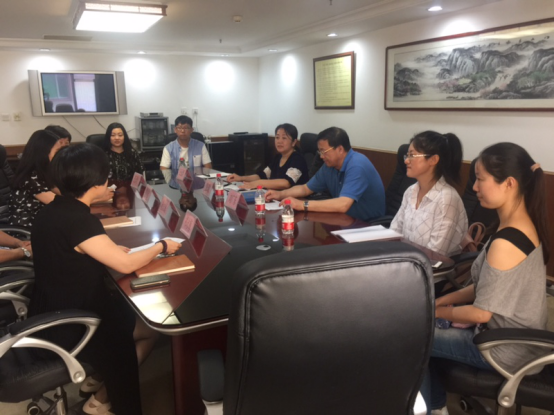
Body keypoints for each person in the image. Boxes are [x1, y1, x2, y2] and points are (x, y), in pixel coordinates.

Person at [29, 143, 181, 415]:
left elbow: (71, 252)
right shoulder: (79, 220)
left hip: (49, 309)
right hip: (75, 321)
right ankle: (104, 399)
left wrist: (107, 249)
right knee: (149, 330)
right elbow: (125, 264)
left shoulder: (54, 211)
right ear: (95, 182)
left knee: (137, 320)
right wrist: (162, 246)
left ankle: (98, 379)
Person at [422, 143, 549, 415]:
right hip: (511, 339)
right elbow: (484, 287)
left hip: (504, 349)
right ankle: (437, 406)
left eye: (480, 179)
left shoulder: (507, 242)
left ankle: (433, 409)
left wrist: (433, 312)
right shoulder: (516, 224)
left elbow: (481, 313)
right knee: (421, 321)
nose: (475, 187)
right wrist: (438, 302)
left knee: (411, 336)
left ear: (509, 184)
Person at [265, 127, 385, 222]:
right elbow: (305, 189)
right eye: (319, 152)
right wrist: (280, 194)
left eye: (324, 151)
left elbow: (343, 204)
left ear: (340, 149)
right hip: (344, 220)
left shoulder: (357, 165)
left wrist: (302, 204)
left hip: (368, 224)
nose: (321, 156)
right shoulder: (329, 166)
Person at [390, 131, 468, 257]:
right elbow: (395, 231)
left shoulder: (447, 199)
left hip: (433, 266)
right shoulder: (410, 191)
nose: (406, 161)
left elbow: (435, 253)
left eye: (412, 155)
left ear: (433, 160)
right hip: (406, 259)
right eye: (407, 156)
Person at [227, 123, 309, 189]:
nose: (279, 141)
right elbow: (262, 175)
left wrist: (259, 183)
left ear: (294, 142)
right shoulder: (278, 158)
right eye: (277, 137)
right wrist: (241, 178)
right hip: (276, 197)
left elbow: (286, 183)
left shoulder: (298, 159)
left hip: (297, 200)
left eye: (284, 138)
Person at [9, 130, 63, 228]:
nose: (60, 156)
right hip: (28, 231)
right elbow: (61, 204)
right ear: (43, 153)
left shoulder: (44, 172)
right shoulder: (30, 177)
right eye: (57, 152)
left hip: (46, 224)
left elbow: (63, 193)